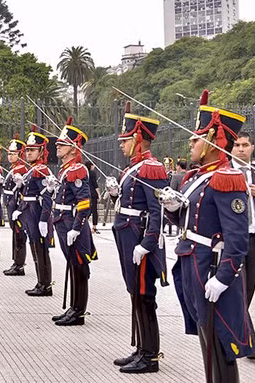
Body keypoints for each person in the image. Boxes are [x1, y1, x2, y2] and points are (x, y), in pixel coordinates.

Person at [160, 90, 255, 382]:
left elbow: (237, 239)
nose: (190, 143)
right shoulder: (197, 176)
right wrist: (172, 209)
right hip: (193, 262)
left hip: (211, 267)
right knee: (206, 337)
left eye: (196, 138)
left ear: (215, 141)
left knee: (221, 344)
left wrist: (224, 278)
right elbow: (189, 219)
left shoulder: (227, 177)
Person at [104, 104, 168, 373]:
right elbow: (131, 203)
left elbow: (157, 212)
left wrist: (147, 244)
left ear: (137, 139)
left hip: (139, 238)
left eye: (125, 140)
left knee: (144, 295)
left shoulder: (151, 169)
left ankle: (150, 355)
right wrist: (116, 195)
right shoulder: (135, 168)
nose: (121, 145)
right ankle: (142, 348)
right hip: (127, 236)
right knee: (135, 293)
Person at [50, 117, 97, 326]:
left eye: (62, 144)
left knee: (79, 266)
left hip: (71, 222)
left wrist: (77, 228)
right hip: (62, 221)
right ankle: (73, 307)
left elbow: (84, 203)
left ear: (72, 148)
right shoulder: (66, 169)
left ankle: (79, 311)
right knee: (72, 264)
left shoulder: (77, 169)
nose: (57, 147)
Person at [15, 126, 54, 296]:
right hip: (29, 211)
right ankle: (40, 282)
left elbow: (46, 197)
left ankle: (45, 284)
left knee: (41, 248)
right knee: (34, 246)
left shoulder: (41, 170)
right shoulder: (32, 170)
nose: (28, 153)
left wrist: (44, 219)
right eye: (28, 150)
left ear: (41, 151)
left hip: (37, 212)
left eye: (32, 150)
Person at [230, 132, 255, 313]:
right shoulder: (224, 172)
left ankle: (241, 326)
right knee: (234, 289)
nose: (241, 149)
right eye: (237, 145)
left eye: (245, 145)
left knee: (249, 289)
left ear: (252, 148)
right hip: (233, 240)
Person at [3, 134, 29, 276]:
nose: (10, 156)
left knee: (19, 235)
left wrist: (18, 208)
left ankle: (19, 264)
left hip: (16, 204)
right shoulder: (14, 168)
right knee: (15, 234)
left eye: (13, 153)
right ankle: (16, 262)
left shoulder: (21, 169)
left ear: (20, 154)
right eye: (9, 153)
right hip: (10, 203)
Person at [85, 161, 101, 233]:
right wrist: (99, 194)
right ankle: (94, 227)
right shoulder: (92, 173)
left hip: (86, 193)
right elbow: (95, 184)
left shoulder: (85, 173)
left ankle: (84, 224)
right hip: (93, 194)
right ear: (91, 166)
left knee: (87, 210)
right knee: (94, 211)